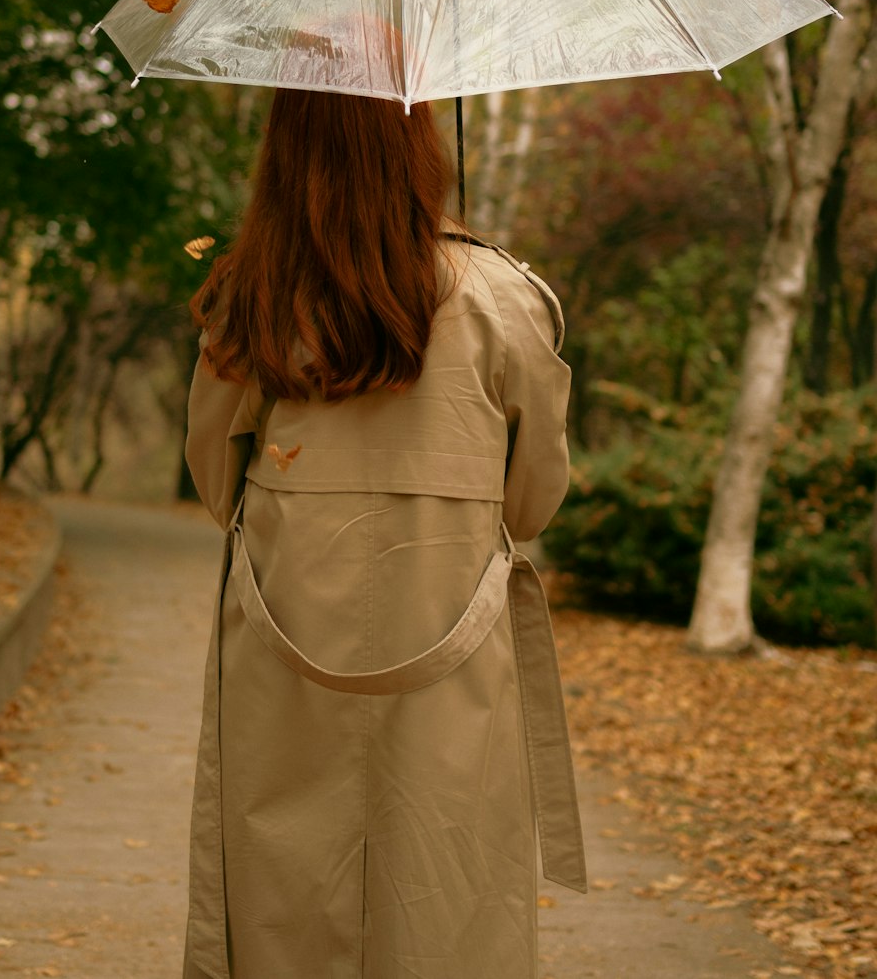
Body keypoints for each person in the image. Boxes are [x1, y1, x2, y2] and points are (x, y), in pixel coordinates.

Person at [182, 88, 586, 979]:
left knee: (280, 874)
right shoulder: (503, 297)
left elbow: (215, 480)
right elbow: (533, 499)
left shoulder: (249, 292)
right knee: (447, 873)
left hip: (286, 621)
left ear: (285, 148)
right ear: (419, 144)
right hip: (453, 623)